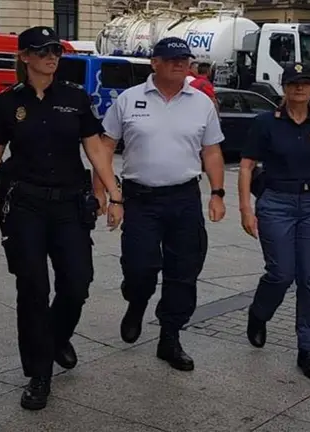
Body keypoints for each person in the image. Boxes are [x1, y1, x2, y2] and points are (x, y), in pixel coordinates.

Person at [0, 26, 122, 411]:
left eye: (55, 50)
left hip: (68, 205)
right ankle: (39, 373)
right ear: (24, 57)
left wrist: (115, 194)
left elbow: (96, 150)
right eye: (42, 50)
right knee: (32, 288)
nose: (51, 56)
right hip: (25, 206)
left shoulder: (76, 99)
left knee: (78, 281)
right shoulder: (7, 103)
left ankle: (56, 336)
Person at [94, 37, 226, 371]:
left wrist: (218, 193)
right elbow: (104, 147)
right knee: (140, 268)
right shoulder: (129, 99)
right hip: (140, 199)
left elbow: (211, 151)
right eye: (171, 59)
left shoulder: (201, 102)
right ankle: (136, 303)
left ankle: (170, 337)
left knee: (184, 272)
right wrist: (108, 195)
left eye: (184, 58)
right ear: (154, 62)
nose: (179, 63)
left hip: (184, 198)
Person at [239, 63, 310, 380]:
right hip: (276, 203)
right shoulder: (265, 123)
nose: (299, 88)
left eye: (304, 83)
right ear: (284, 88)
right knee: (281, 272)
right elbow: (246, 167)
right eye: (293, 83)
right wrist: (246, 208)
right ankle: (259, 313)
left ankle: (309, 349)